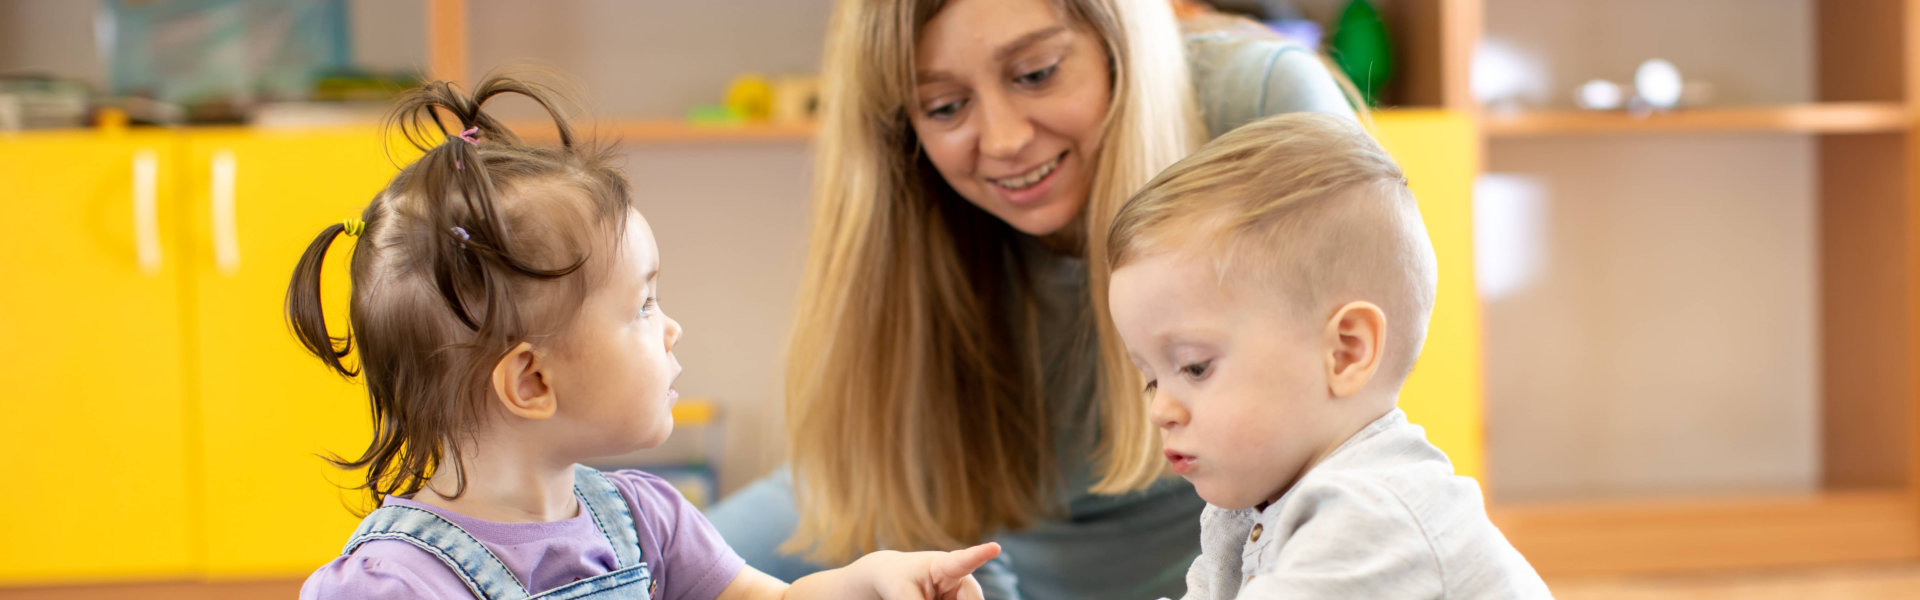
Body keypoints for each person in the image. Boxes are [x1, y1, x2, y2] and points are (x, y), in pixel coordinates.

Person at [706, 1, 1355, 598]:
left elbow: (1354, 456)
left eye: (1037, 73)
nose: (1006, 139)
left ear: (1114, 39)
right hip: (995, 562)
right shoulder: (917, 217)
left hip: (1236, 572)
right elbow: (882, 490)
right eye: (943, 107)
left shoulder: (1262, 103)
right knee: (660, 557)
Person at [290, 74, 1000, 600]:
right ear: (532, 381)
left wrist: (871, 582)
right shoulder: (396, 583)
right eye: (643, 305)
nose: (672, 328)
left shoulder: (640, 518)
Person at [1105, 112, 1551, 599]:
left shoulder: (1374, 515)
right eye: (1151, 378)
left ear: (1345, 352)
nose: (1160, 410)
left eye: (1194, 367)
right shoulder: (1248, 506)